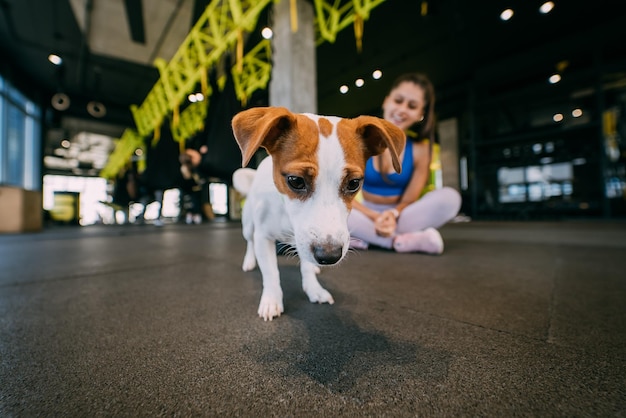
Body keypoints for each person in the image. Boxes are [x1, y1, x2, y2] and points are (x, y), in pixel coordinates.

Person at [348, 73, 462, 254]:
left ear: (420, 114)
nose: (402, 109)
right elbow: (344, 194)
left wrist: (392, 215)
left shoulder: (421, 150)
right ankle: (399, 241)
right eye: (398, 101)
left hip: (401, 216)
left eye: (412, 106)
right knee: (335, 205)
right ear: (386, 101)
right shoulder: (359, 141)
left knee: (450, 198)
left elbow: (409, 199)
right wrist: (375, 216)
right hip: (364, 213)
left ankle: (364, 237)